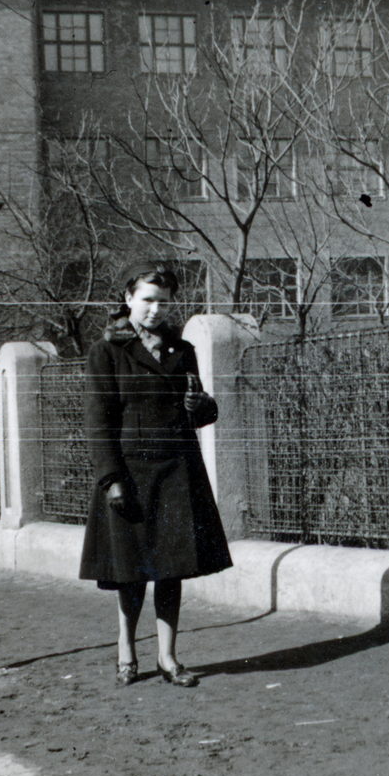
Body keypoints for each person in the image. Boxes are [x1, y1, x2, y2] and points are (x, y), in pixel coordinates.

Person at [79, 262, 232, 687]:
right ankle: (126, 651)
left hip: (176, 473)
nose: (155, 310)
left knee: (171, 568)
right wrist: (111, 479)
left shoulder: (182, 351)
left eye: (163, 302)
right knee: (131, 571)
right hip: (130, 474)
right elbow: (97, 422)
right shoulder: (106, 352)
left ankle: (168, 657)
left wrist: (199, 406)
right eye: (147, 299)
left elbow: (201, 408)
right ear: (128, 299)